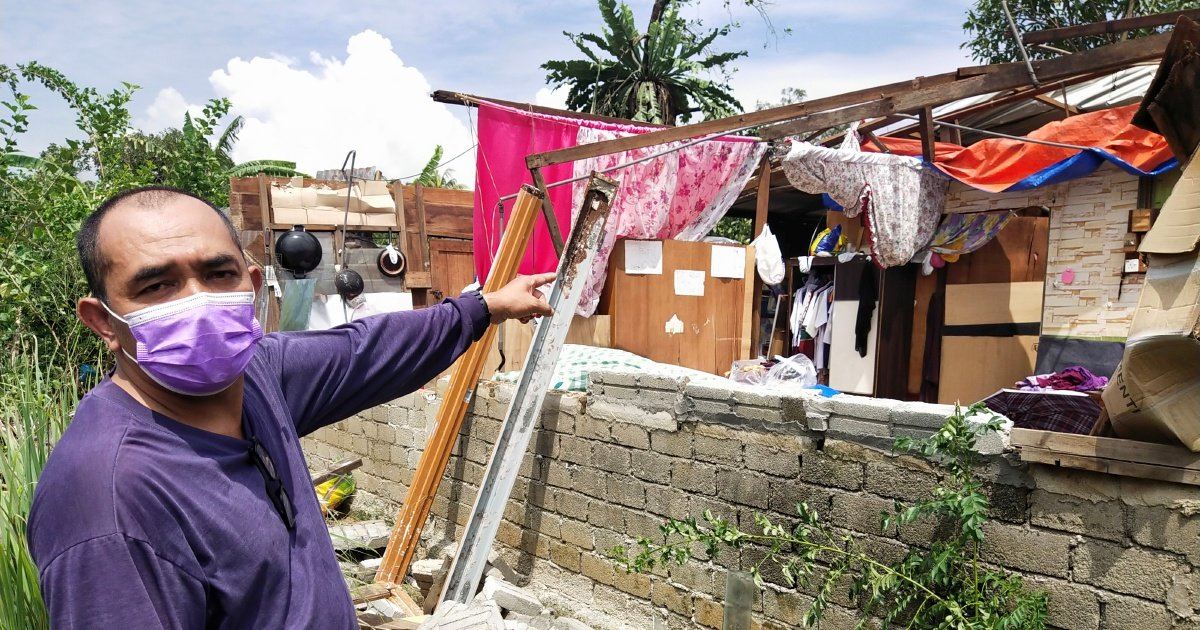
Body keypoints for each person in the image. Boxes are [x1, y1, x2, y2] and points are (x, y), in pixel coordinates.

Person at [27, 186, 554, 628]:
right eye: (157, 284)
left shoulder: (257, 376)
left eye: (218, 274)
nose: (197, 301)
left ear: (253, 286)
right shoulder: (112, 497)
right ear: (102, 321)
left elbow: (366, 350)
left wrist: (487, 306)